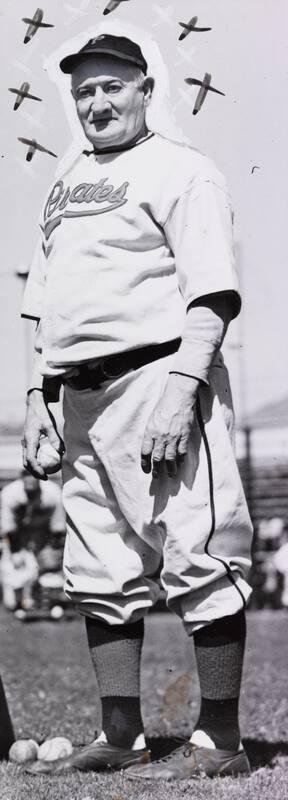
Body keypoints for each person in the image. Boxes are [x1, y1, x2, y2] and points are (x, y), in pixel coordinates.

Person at [21, 33, 253, 779]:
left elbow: (211, 290)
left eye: (111, 87)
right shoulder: (64, 178)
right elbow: (47, 303)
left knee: (197, 551)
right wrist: (37, 395)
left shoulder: (183, 170)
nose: (96, 102)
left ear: (146, 89)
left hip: (158, 377)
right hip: (77, 395)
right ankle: (119, 737)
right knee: (98, 567)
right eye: (84, 91)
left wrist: (185, 387)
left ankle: (221, 739)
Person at [0, 471, 65, 611]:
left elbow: (58, 527)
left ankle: (46, 602)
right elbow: (9, 528)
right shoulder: (9, 493)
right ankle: (20, 600)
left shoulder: (53, 492)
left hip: (43, 535)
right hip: (19, 537)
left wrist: (53, 549)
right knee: (11, 600)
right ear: (21, 479)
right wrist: (16, 553)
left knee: (49, 569)